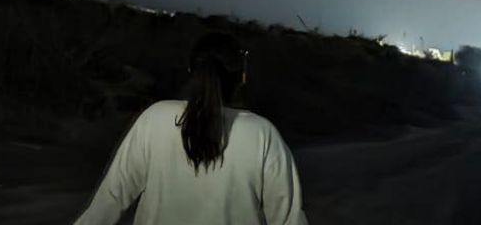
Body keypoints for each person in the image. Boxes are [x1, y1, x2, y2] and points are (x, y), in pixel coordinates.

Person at [75, 32, 307, 225]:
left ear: (191, 71)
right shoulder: (262, 134)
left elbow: (111, 199)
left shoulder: (155, 117)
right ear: (241, 77)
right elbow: (288, 219)